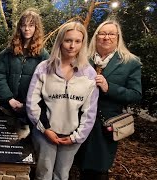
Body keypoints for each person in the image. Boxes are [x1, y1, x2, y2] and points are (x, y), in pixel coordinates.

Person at [26, 21, 99, 180]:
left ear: (83, 43)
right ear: (60, 41)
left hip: (72, 136)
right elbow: (32, 103)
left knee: (62, 174)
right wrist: (45, 129)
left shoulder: (89, 74)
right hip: (45, 132)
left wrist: (76, 137)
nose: (72, 46)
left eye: (77, 41)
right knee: (43, 173)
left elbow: (90, 111)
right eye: (68, 40)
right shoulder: (44, 68)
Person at [75, 20, 142, 180]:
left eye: (111, 34)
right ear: (96, 36)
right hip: (78, 121)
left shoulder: (130, 62)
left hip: (105, 125)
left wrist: (109, 87)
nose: (106, 37)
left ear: (118, 37)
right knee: (76, 165)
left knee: (98, 169)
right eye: (102, 33)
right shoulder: (83, 58)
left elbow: (135, 94)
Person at [0, 8, 49, 138]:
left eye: (31, 25)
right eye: (23, 25)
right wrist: (9, 99)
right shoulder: (8, 52)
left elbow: (46, 84)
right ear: (19, 28)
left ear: (36, 28)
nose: (27, 29)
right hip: (7, 110)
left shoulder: (43, 55)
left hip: (30, 113)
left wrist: (28, 104)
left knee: (26, 152)